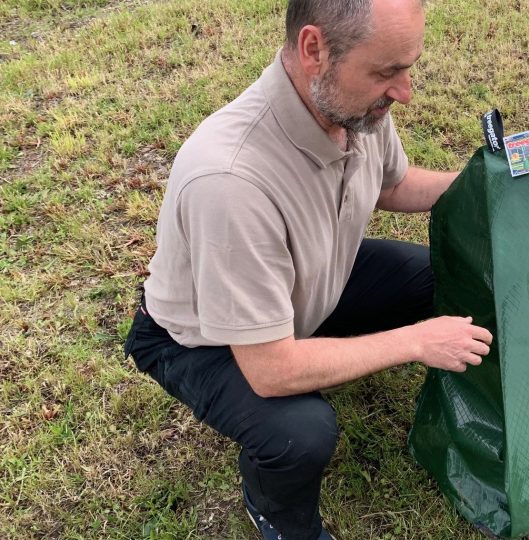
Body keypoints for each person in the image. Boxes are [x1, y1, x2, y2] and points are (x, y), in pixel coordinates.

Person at [122, 0, 493, 538]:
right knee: (300, 432)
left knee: (440, 273)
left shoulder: (355, 107)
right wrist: (415, 341)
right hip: (202, 341)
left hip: (311, 280)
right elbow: (271, 371)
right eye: (387, 71)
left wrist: (489, 182)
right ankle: (278, 514)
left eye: (407, 66)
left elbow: (393, 185)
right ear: (314, 50)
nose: (405, 91)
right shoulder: (229, 181)